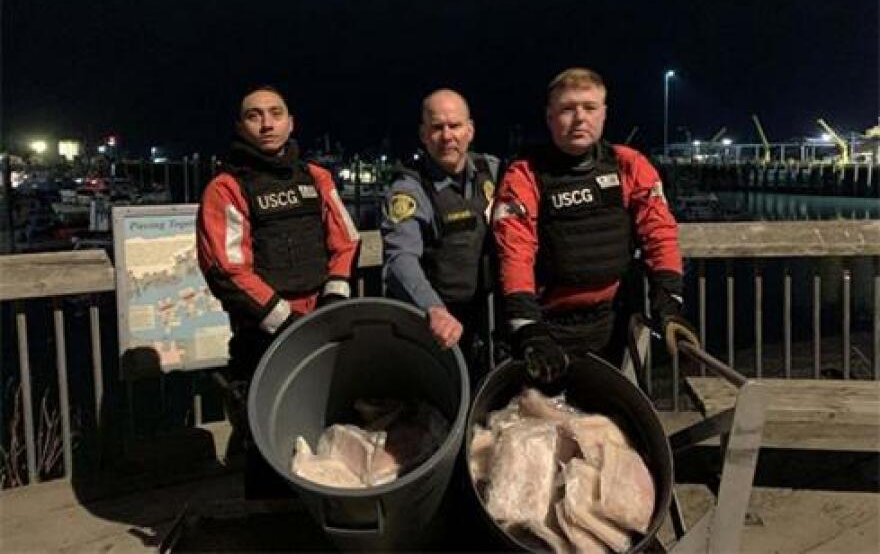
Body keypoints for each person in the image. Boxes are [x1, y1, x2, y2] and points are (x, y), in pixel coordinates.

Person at [197, 85, 360, 496]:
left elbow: (346, 240)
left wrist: (335, 296)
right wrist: (284, 320)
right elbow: (226, 267)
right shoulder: (226, 188)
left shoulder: (316, 178)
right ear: (240, 126)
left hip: (321, 325)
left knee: (326, 427)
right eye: (255, 115)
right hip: (265, 335)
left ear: (291, 122)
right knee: (267, 440)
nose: (267, 123)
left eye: (275, 113)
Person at [492, 67, 690, 384]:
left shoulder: (629, 164)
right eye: (567, 109)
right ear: (550, 116)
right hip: (547, 324)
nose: (580, 118)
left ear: (604, 113)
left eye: (589, 107)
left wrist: (669, 302)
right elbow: (515, 251)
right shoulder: (524, 174)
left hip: (613, 323)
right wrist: (527, 326)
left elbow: (660, 234)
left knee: (613, 424)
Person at [381, 88, 501, 382]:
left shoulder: (493, 170)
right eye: (437, 127)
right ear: (423, 135)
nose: (447, 136)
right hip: (436, 318)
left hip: (489, 315)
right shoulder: (409, 189)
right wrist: (433, 309)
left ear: (470, 130)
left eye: (455, 126)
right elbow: (400, 258)